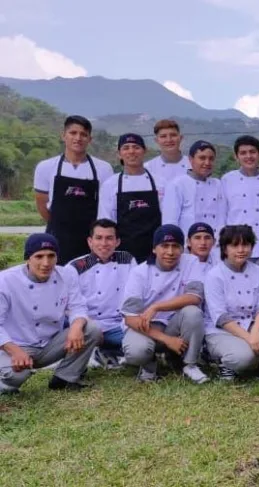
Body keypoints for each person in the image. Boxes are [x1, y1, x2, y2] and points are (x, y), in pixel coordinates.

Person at [0, 234, 101, 393]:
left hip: (49, 345)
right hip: (16, 345)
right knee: (17, 375)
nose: (46, 263)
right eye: (39, 256)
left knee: (91, 329)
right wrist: (15, 350)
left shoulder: (66, 275)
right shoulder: (5, 280)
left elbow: (78, 306)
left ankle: (64, 378)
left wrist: (76, 326)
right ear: (28, 258)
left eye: (51, 256)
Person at [120, 224, 210, 384]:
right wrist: (168, 340)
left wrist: (156, 307)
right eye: (164, 246)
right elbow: (130, 319)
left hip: (174, 323)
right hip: (145, 327)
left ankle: (189, 364)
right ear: (154, 249)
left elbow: (194, 297)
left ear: (182, 249)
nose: (170, 252)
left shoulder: (191, 262)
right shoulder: (139, 273)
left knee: (193, 312)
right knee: (136, 352)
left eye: (175, 246)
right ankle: (148, 365)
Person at [204, 225, 259, 384]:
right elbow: (221, 317)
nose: (241, 250)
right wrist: (250, 338)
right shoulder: (214, 275)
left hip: (250, 324)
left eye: (246, 245)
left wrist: (255, 331)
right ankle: (223, 362)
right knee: (245, 357)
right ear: (224, 248)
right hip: (222, 331)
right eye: (235, 245)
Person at [34, 115, 114, 264]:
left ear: (90, 139)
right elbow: (41, 204)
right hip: (57, 239)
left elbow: (106, 206)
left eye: (83, 134)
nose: (78, 138)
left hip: (90, 241)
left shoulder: (103, 169)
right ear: (63, 135)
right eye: (73, 133)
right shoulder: (45, 167)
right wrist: (58, 226)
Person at [68, 219, 136, 369]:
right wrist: (87, 326)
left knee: (138, 344)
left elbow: (133, 296)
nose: (104, 243)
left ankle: (106, 351)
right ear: (90, 241)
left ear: (117, 241)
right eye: (99, 238)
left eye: (109, 238)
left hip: (118, 325)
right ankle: (101, 351)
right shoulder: (75, 267)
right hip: (88, 325)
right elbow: (69, 305)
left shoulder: (128, 259)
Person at [98, 133, 162, 262]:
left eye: (136, 147)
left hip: (155, 251)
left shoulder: (160, 182)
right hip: (122, 253)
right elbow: (105, 222)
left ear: (145, 151)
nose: (131, 151)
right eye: (126, 148)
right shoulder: (110, 184)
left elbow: (167, 219)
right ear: (119, 154)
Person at [221, 136, 259, 264]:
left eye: (252, 152)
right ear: (236, 156)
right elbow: (223, 215)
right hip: (236, 245)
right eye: (243, 153)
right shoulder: (227, 180)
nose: (248, 156)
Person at [162, 140, 227, 236]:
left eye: (211, 159)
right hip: (187, 246)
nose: (207, 162)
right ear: (191, 159)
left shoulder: (218, 184)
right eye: (202, 158)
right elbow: (170, 223)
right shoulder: (177, 184)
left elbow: (222, 218)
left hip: (215, 245)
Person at [144, 119, 190, 196]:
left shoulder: (193, 165)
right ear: (156, 140)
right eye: (163, 136)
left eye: (173, 135)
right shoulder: (147, 169)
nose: (169, 140)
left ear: (181, 138)